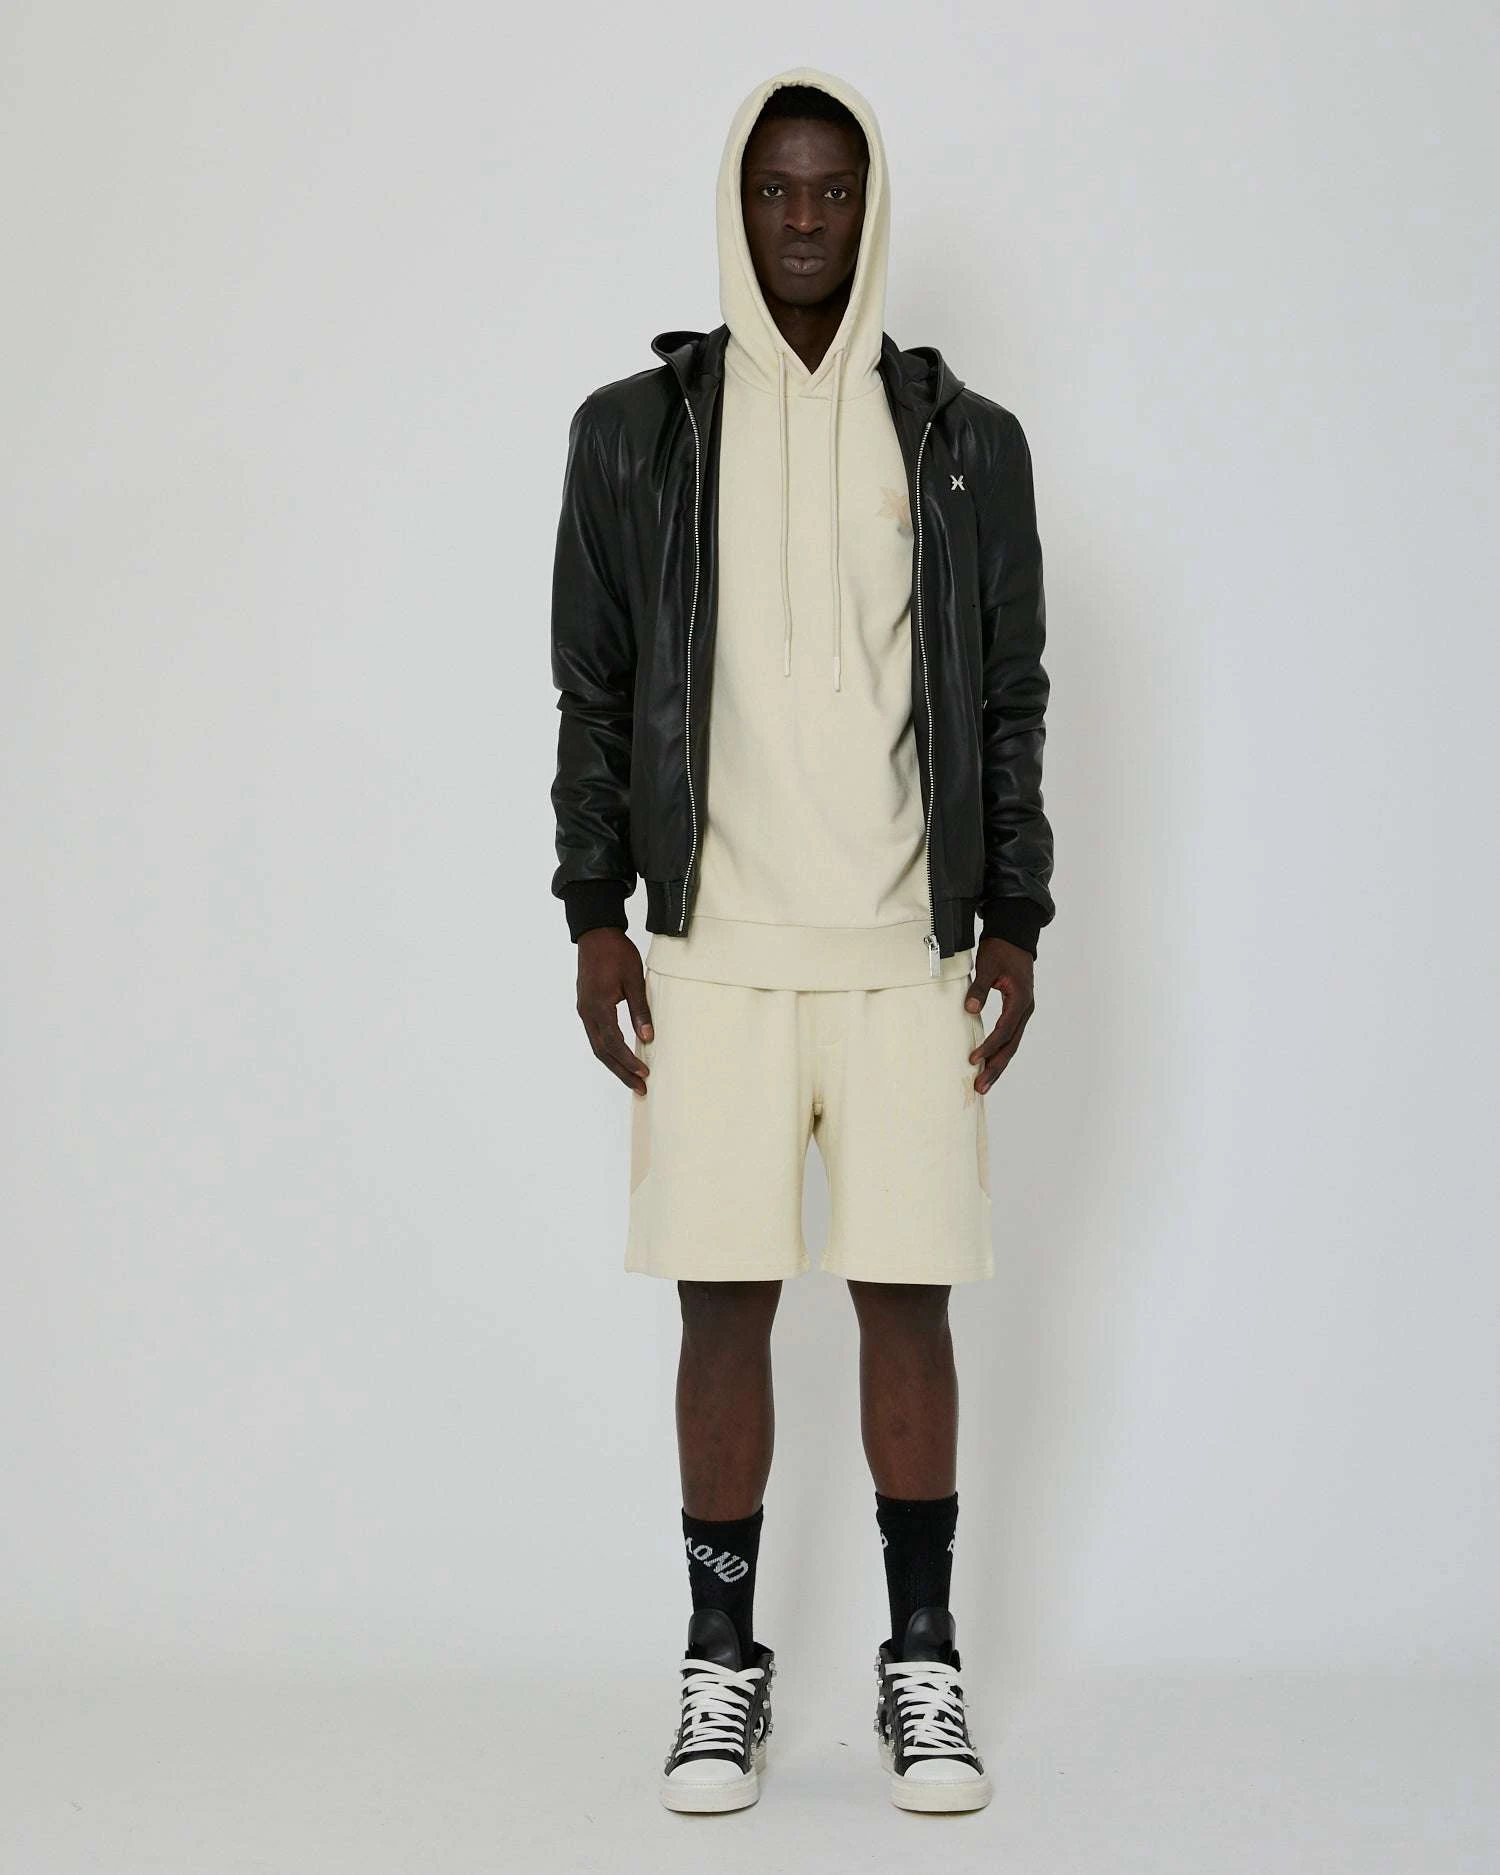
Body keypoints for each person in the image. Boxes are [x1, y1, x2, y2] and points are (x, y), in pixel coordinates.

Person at [548, 65, 1054, 1815]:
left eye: (835, 191)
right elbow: (594, 689)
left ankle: (924, 1659)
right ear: (737, 202)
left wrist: (1017, 918)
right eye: (777, 190)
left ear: (872, 206)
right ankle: (722, 1665)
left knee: (910, 1301)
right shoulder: (638, 431)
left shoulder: (967, 443)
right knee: (723, 1306)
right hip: (712, 949)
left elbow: (1009, 701)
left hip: (907, 948)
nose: (806, 220)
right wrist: (595, 915)